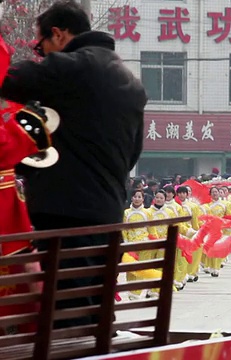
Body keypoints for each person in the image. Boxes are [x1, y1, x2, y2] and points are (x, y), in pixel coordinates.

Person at [0, 0, 147, 328]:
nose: (42, 55)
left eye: (42, 47)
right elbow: (133, 154)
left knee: (66, 317)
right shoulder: (129, 81)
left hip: (65, 217)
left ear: (58, 33)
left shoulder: (74, 67)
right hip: (109, 214)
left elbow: (9, 77)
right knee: (93, 309)